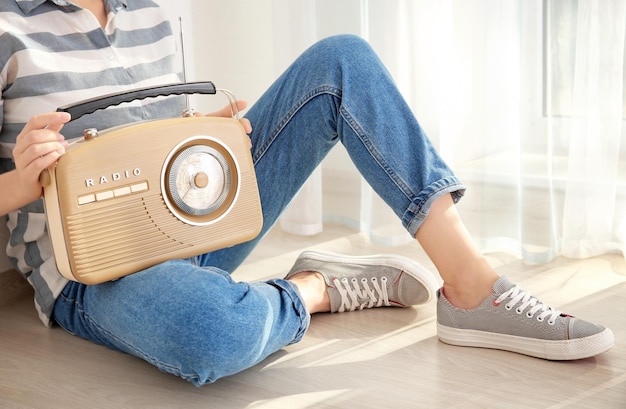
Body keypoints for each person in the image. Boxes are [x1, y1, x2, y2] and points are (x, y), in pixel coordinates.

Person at [0, 0, 613, 386]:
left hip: (191, 228)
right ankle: (315, 289)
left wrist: (209, 135)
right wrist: (23, 180)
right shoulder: (9, 26)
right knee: (213, 333)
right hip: (91, 276)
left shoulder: (151, 14)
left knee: (341, 59)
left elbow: (163, 147)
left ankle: (474, 288)